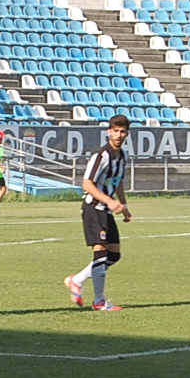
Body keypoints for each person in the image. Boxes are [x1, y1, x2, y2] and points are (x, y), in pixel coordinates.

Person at [65, 115, 131, 312]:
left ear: (127, 133)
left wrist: (124, 205)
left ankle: (77, 280)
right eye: (116, 131)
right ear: (109, 131)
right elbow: (87, 183)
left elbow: (117, 181)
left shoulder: (122, 156)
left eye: (123, 131)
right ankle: (99, 301)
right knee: (101, 252)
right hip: (94, 208)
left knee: (114, 255)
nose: (119, 135)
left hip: (106, 210)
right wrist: (110, 201)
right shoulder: (101, 156)